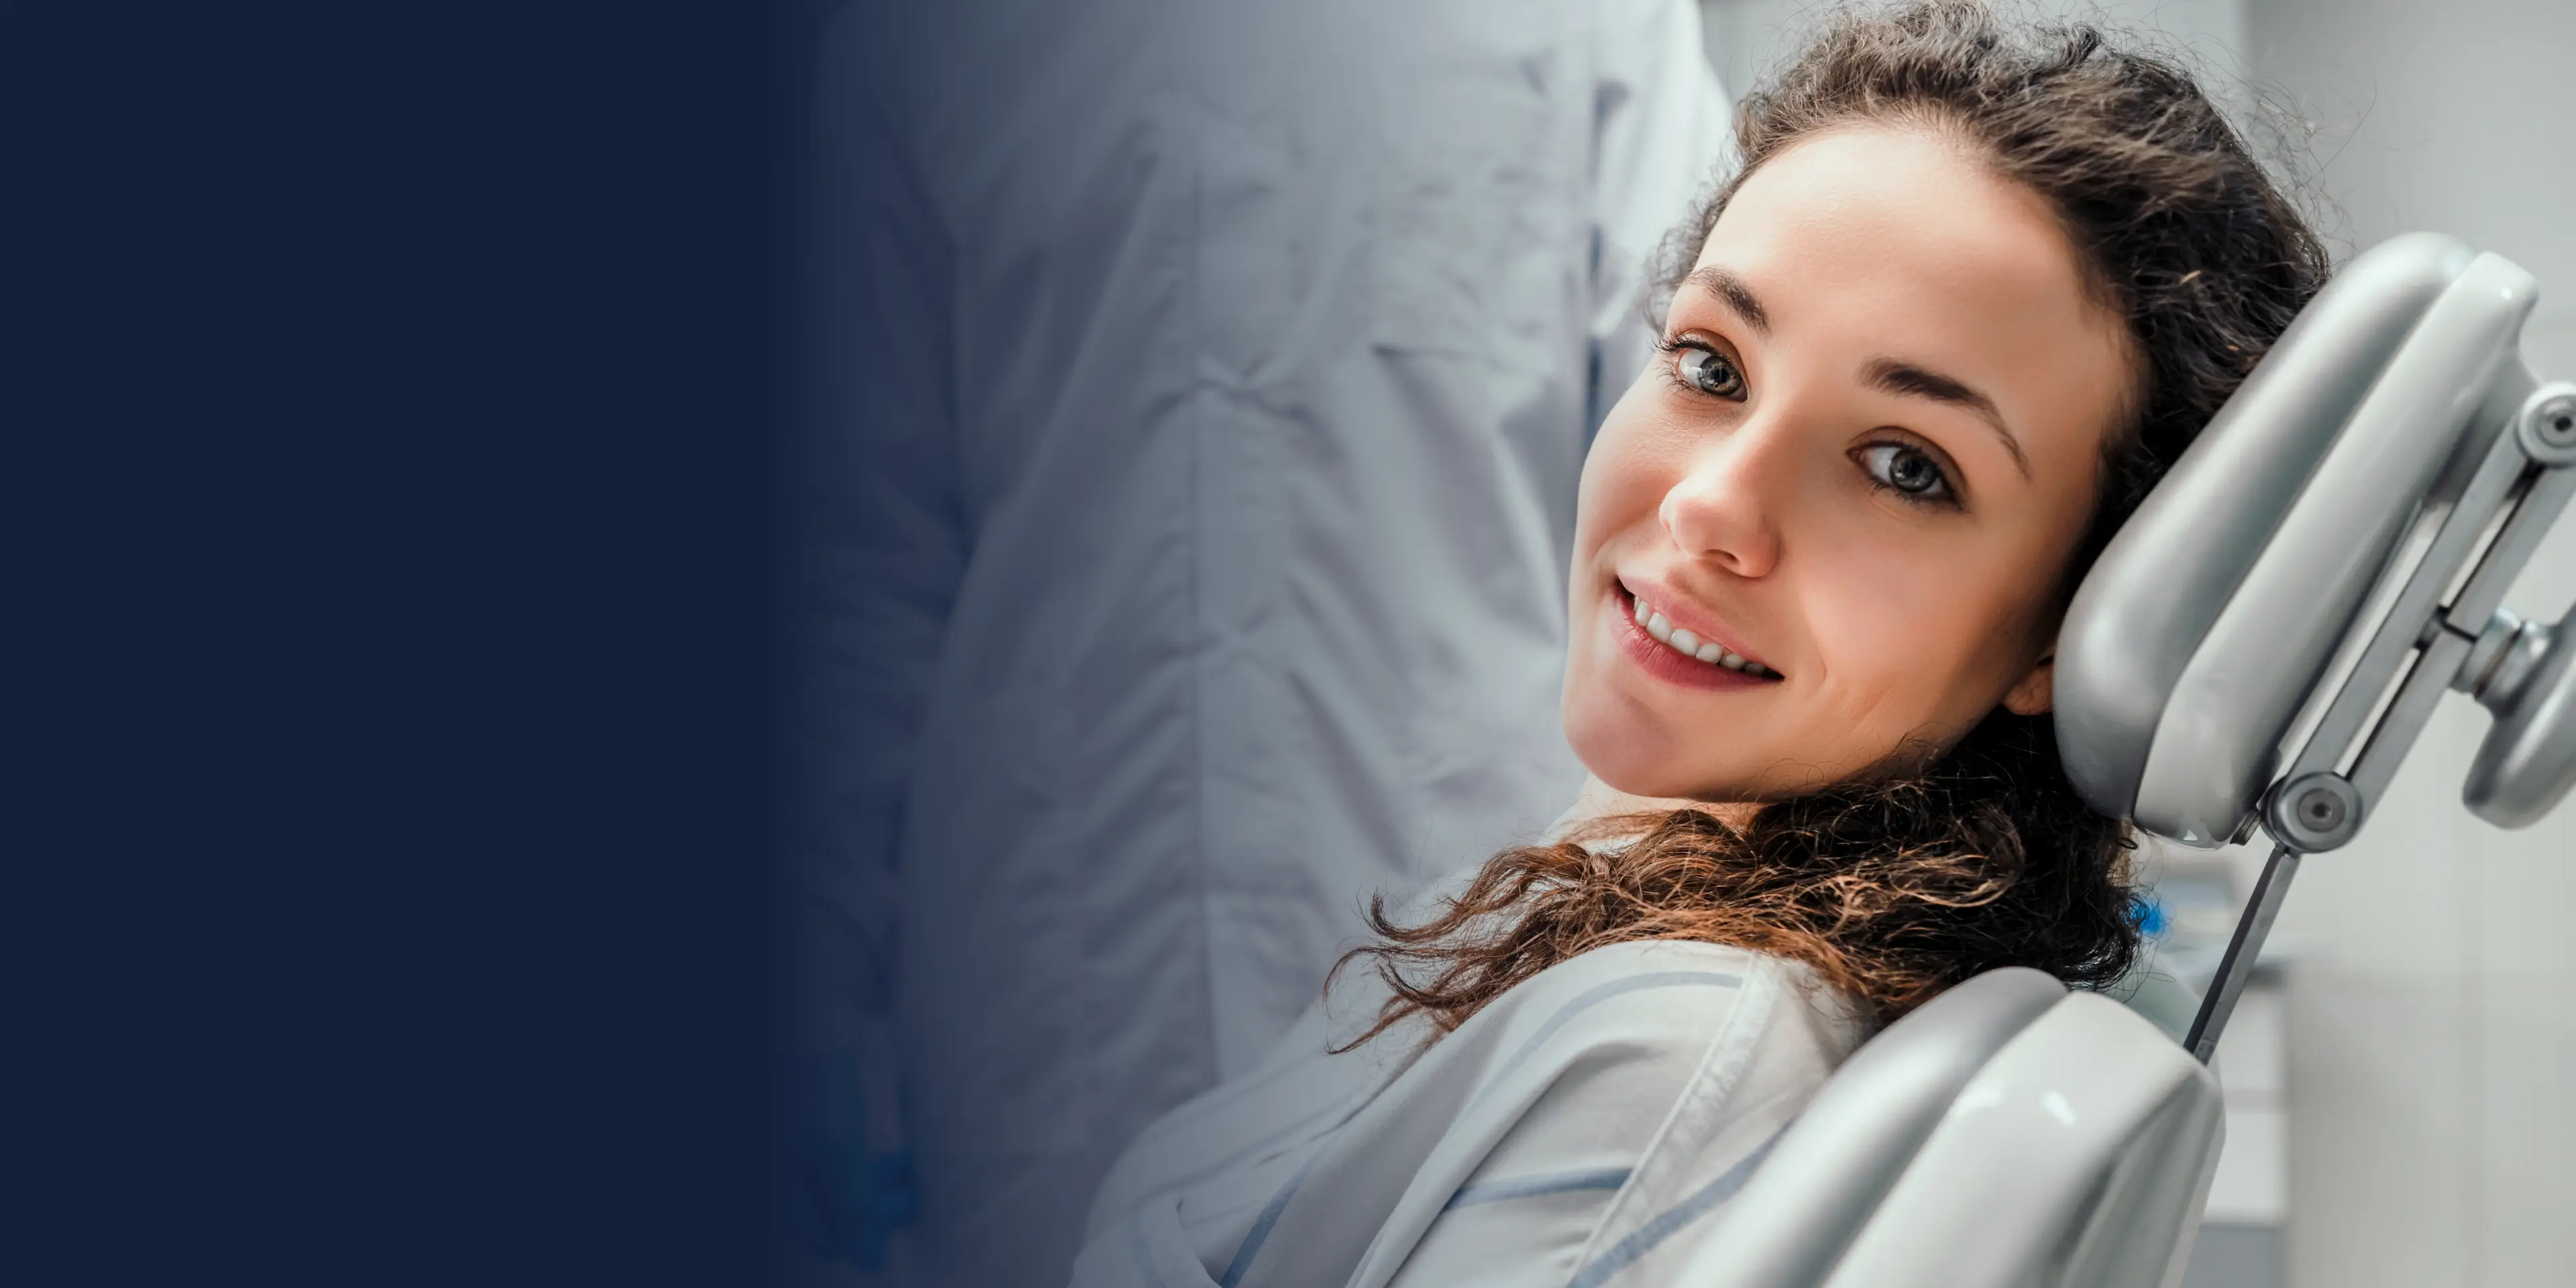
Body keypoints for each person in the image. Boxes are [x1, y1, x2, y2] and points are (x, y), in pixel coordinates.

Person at [1067, 4, 2330, 1285]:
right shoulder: (1644, 934)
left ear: (2080, 621)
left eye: (1904, 467)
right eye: (1712, 366)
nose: (1710, 506)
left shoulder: (1681, 1064)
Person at [790, 1, 1733, 1283]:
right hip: (1043, 992)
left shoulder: (1592, 31)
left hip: (1474, 948)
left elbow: (1698, 506)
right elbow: (859, 586)